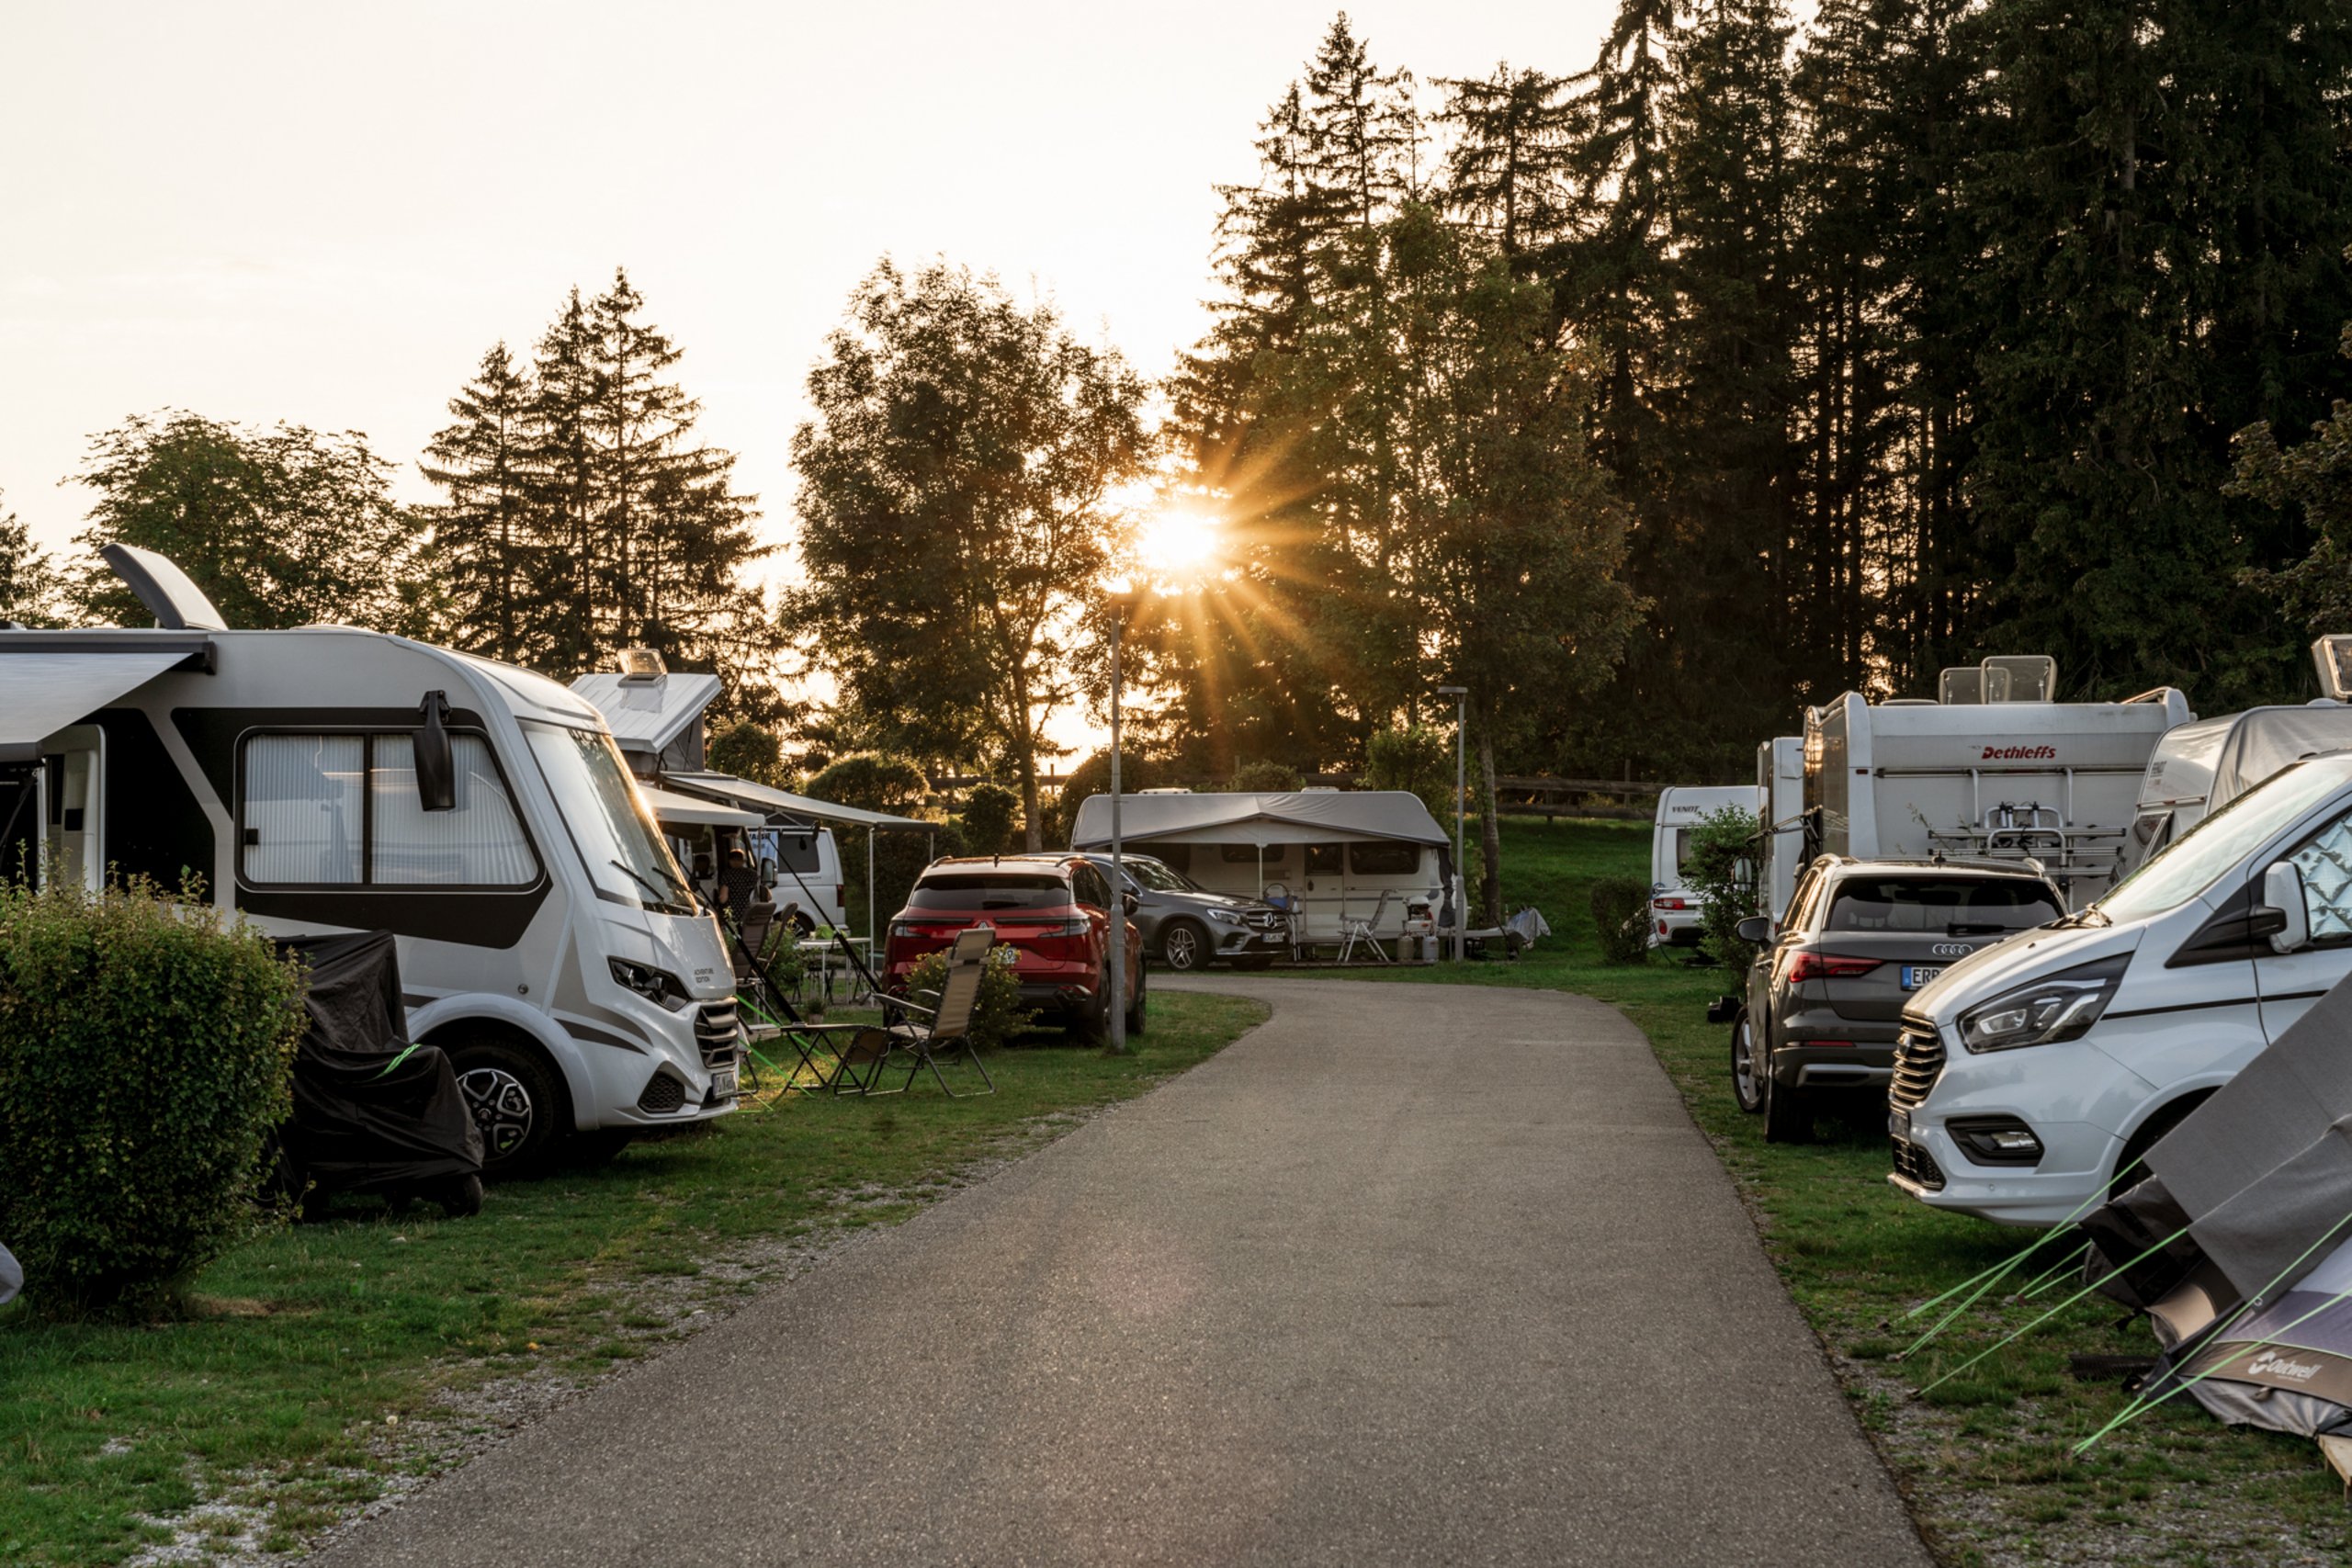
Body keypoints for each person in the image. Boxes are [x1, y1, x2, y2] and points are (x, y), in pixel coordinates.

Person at [715, 845, 766, 922]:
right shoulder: (753, 874)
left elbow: (723, 899)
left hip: (734, 914)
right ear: (743, 861)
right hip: (752, 913)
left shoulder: (728, 875)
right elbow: (768, 896)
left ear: (729, 861)